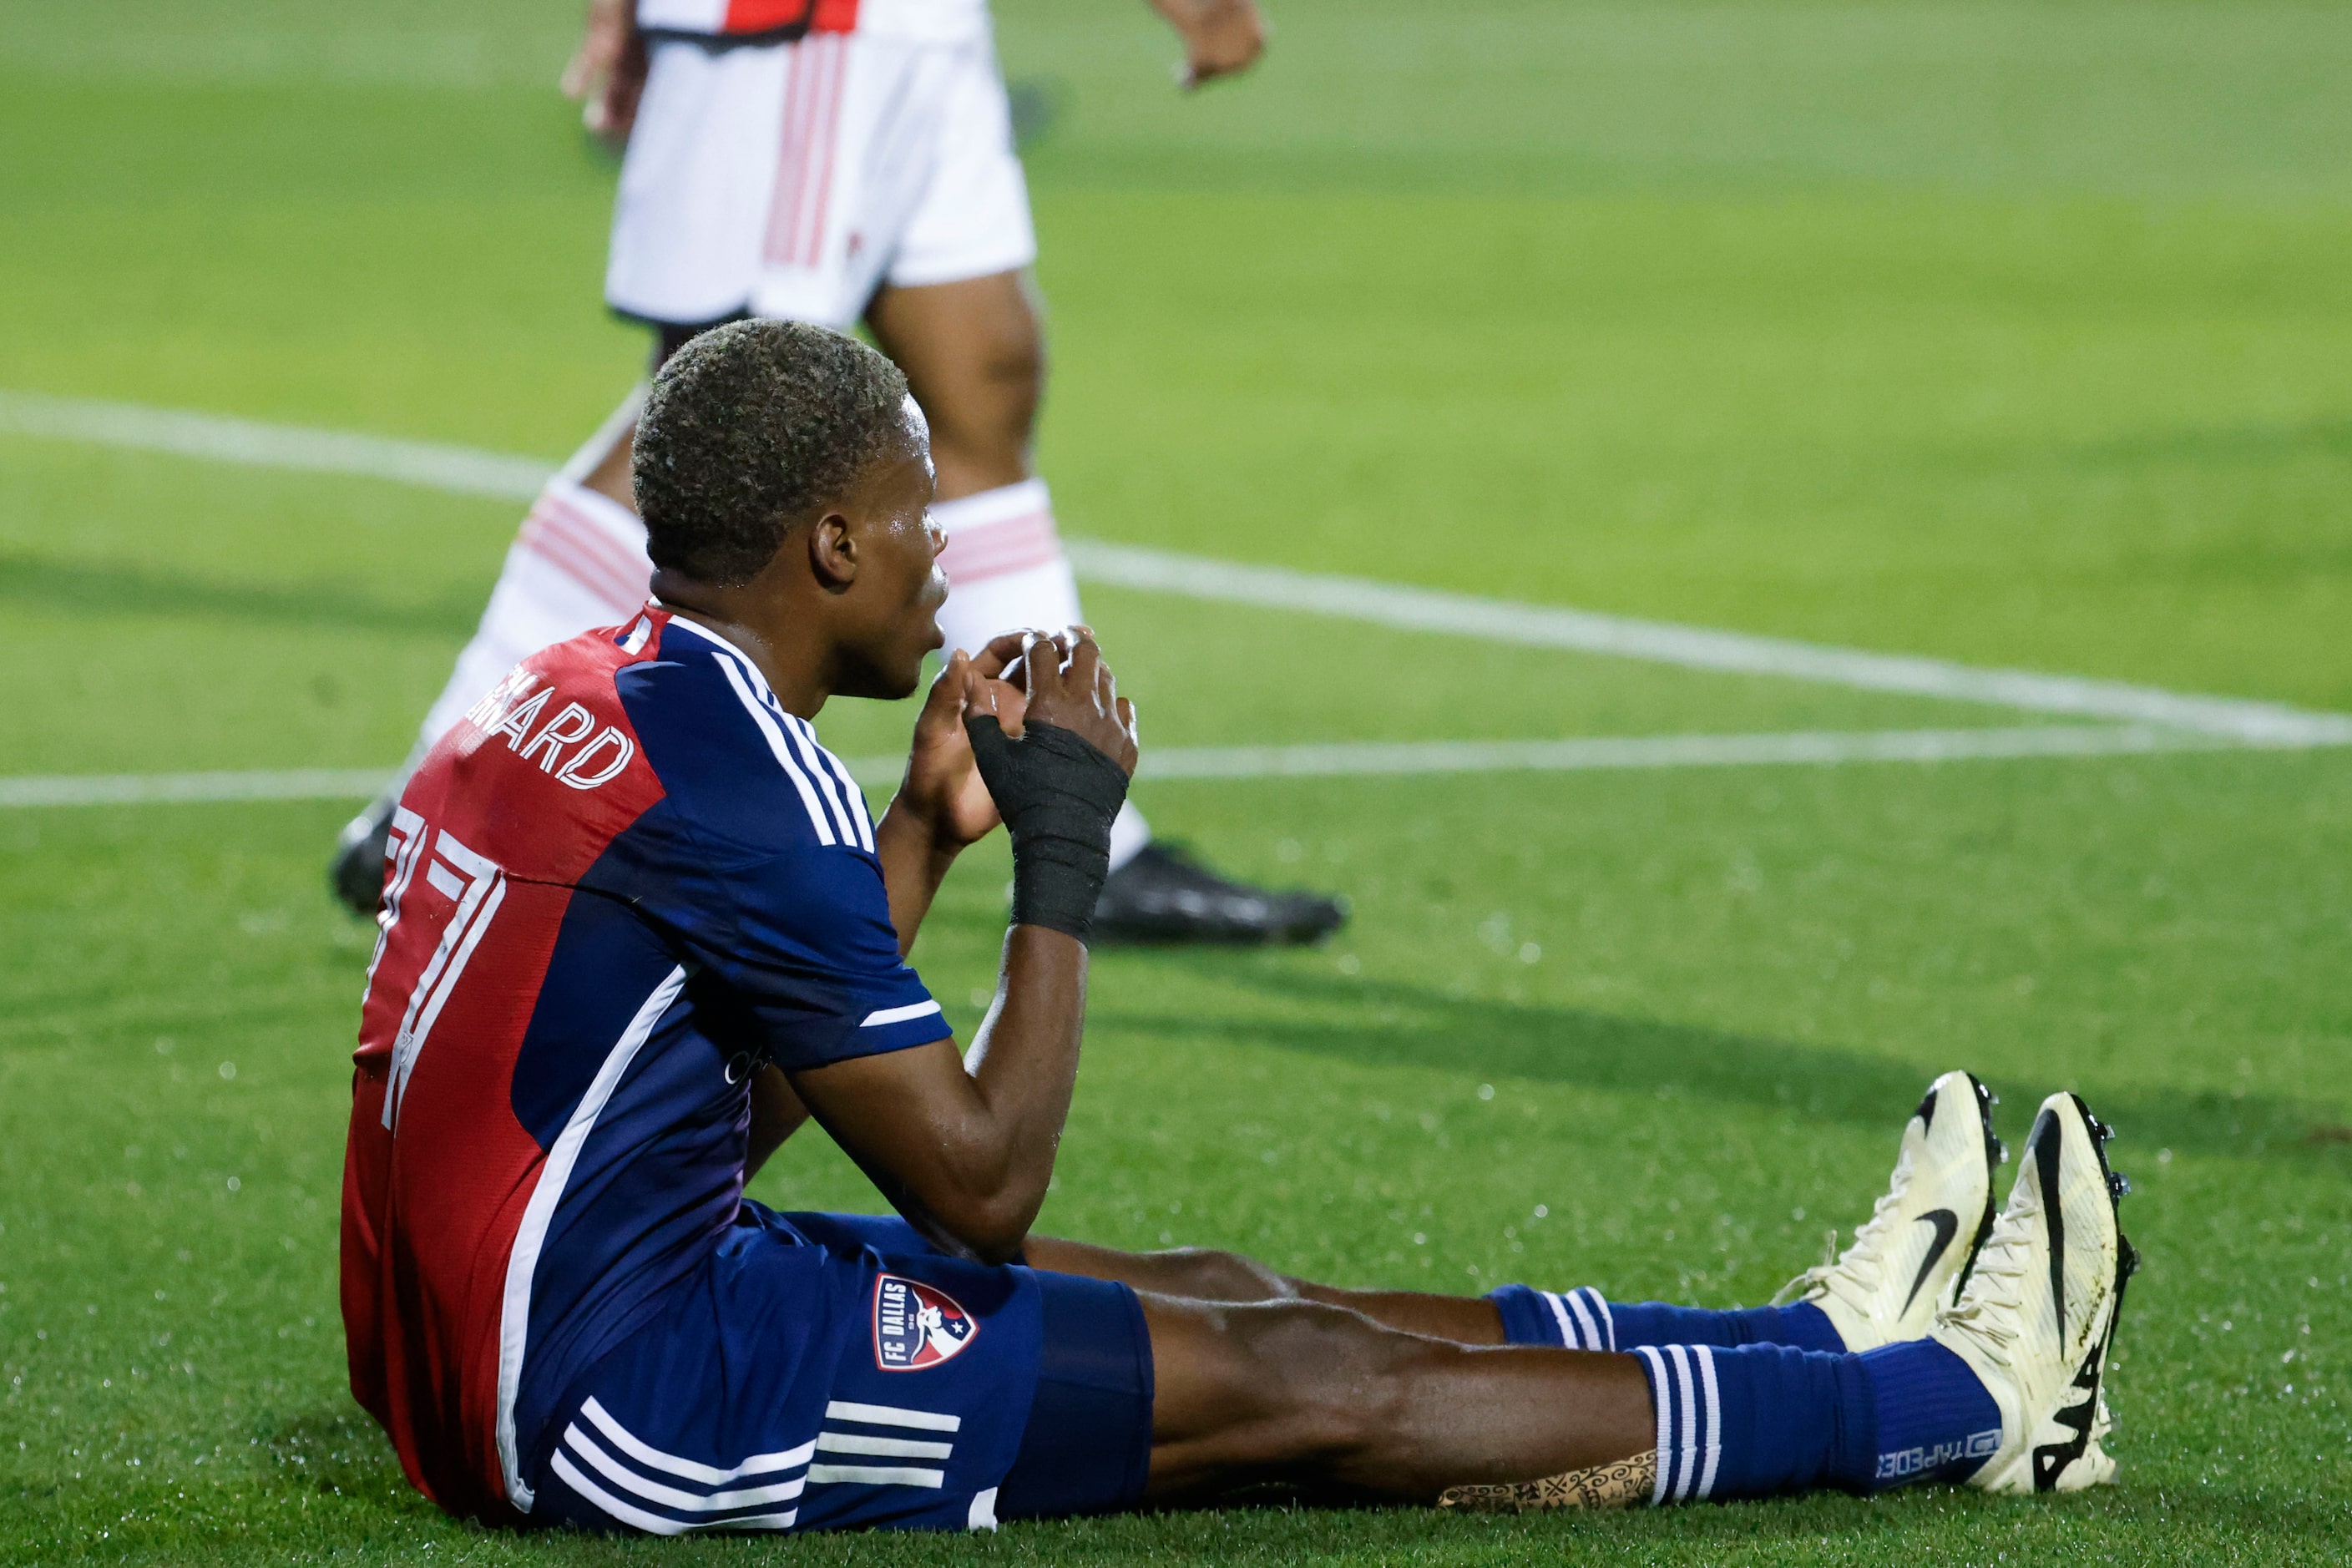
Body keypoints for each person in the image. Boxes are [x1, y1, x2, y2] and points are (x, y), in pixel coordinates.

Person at [340, 322, 2137, 1535]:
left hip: (527, 1334)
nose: (945, 558)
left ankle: (1808, 1340)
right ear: (823, 549)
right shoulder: (742, 790)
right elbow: (976, 1186)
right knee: (1297, 1384)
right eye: (913, 521)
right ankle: (1957, 1405)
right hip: (622, 1408)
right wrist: (1062, 848)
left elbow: (718, 1098)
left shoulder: (590, 697)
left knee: (1210, 1294)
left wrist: (920, 831)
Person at [326, 0, 1347, 946]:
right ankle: (434, 793)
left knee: (982, 379)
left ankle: (1083, 831)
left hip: (915, 28)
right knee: (729, 407)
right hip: (816, 30)